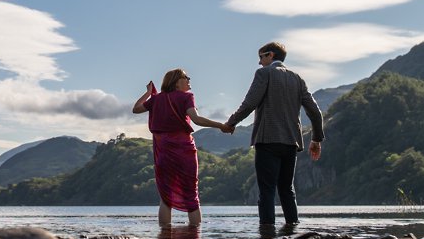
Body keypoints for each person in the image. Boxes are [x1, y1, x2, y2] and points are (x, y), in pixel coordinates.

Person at [223, 42, 324, 227]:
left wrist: (230, 123)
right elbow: (315, 113)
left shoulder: (265, 73)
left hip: (268, 140)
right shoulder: (298, 78)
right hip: (291, 143)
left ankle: (267, 236)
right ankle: (292, 231)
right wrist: (316, 139)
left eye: (261, 57)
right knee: (287, 190)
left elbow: (250, 103)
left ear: (271, 55)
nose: (260, 62)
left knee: (267, 190)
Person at [133, 68, 230, 227]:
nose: (189, 79)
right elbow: (196, 119)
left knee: (165, 197)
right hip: (184, 150)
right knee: (191, 193)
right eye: (186, 77)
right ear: (177, 81)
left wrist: (149, 93)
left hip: (163, 151)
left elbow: (136, 109)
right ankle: (194, 238)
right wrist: (220, 125)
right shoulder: (187, 97)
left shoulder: (156, 99)